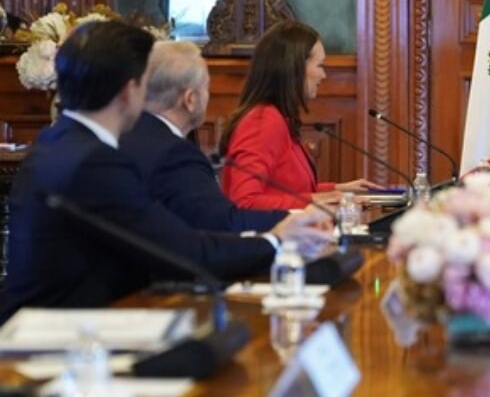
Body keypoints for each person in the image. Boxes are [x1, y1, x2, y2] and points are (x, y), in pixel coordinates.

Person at [1, 21, 332, 323]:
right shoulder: (95, 162)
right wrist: (277, 241)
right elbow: (184, 251)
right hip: (56, 340)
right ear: (129, 92)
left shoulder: (55, 141)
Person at [120, 41, 290, 232]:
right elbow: (223, 223)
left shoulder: (124, 134)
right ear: (190, 99)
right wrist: (294, 219)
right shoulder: (174, 155)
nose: (208, 96)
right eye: (206, 87)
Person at [219, 21, 375, 209]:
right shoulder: (262, 121)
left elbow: (285, 190)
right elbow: (244, 201)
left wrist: (336, 190)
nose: (323, 75)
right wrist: (316, 200)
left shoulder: (277, 117)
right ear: (295, 68)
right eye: (320, 65)